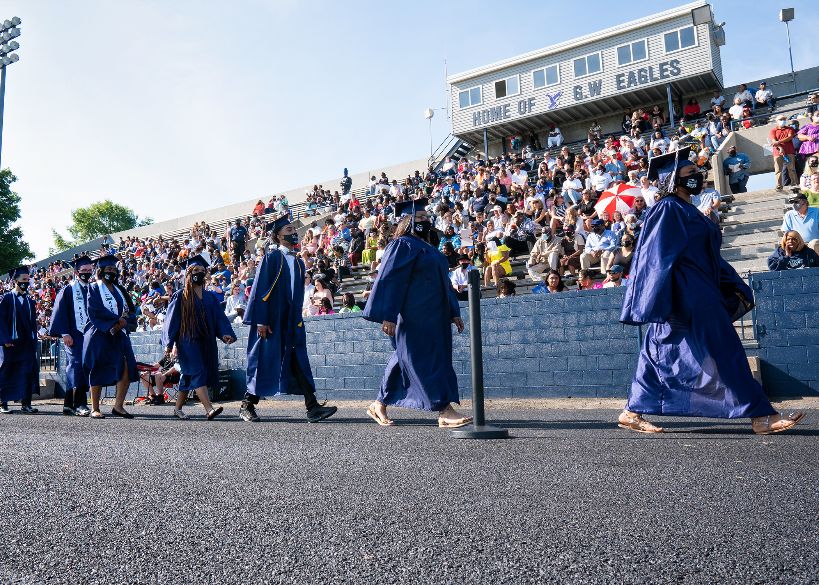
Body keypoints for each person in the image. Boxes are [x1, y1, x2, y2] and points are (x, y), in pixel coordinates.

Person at [619, 147, 803, 435]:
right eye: (690, 173)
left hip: (701, 288)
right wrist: (658, 297)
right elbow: (655, 256)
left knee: (659, 349)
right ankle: (761, 415)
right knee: (723, 347)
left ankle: (631, 411)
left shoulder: (689, 209)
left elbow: (709, 256)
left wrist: (729, 282)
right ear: (673, 180)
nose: (698, 175)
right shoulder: (668, 208)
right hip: (687, 293)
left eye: (697, 171)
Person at [362, 198, 471, 428]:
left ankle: (378, 404)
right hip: (414, 316)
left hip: (436, 316)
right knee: (428, 361)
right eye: (420, 218)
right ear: (407, 220)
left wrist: (454, 310)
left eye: (426, 217)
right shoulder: (402, 244)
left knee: (404, 358)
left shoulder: (428, 247)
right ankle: (444, 409)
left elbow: (444, 281)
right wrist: (389, 314)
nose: (425, 221)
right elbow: (390, 279)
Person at [242, 215, 338, 423]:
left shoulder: (296, 261)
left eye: (294, 229)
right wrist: (261, 320)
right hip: (271, 321)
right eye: (288, 229)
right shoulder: (272, 257)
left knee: (297, 360)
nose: (293, 232)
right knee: (265, 361)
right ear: (277, 235)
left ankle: (312, 408)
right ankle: (247, 404)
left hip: (291, 320)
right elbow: (260, 289)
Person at [162, 255, 236, 420]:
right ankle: (209, 409)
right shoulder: (180, 296)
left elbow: (219, 318)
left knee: (189, 375)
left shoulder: (210, 297)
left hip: (206, 340)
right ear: (188, 273)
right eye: (195, 270)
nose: (199, 273)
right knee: (198, 372)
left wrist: (225, 333)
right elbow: (171, 321)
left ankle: (177, 408)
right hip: (187, 341)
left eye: (202, 271)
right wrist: (169, 343)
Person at [83, 255, 138, 419]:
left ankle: (118, 406)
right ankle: (95, 408)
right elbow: (94, 309)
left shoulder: (120, 290)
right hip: (100, 332)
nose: (112, 272)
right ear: (101, 271)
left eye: (114, 269)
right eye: (109, 269)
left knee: (127, 366)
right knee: (98, 367)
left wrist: (125, 322)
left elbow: (131, 310)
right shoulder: (93, 288)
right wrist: (115, 321)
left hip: (120, 333)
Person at [48, 255, 93, 416]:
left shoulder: (92, 288)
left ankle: (68, 405)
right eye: (84, 270)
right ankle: (80, 403)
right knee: (76, 366)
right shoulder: (68, 289)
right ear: (76, 272)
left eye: (89, 270)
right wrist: (65, 333)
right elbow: (60, 312)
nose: (87, 273)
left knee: (82, 367)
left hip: (89, 336)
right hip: (73, 336)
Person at [0, 266, 39, 415]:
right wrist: (4, 339)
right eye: (23, 280)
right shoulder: (7, 298)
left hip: (26, 343)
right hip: (11, 343)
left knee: (27, 373)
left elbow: (32, 323)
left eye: (27, 280)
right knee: (7, 372)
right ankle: (3, 403)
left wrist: (33, 339)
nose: (26, 283)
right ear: (15, 280)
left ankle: (26, 403)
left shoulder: (30, 301)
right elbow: (1, 320)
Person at [770, 114, 797, 191]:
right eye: (781, 119)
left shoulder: (790, 128)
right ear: (777, 121)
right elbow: (773, 141)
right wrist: (780, 147)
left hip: (789, 152)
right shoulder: (773, 130)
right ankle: (779, 185)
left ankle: (794, 183)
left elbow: (789, 137)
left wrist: (778, 142)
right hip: (777, 152)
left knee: (791, 168)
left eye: (784, 119)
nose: (783, 121)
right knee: (778, 170)